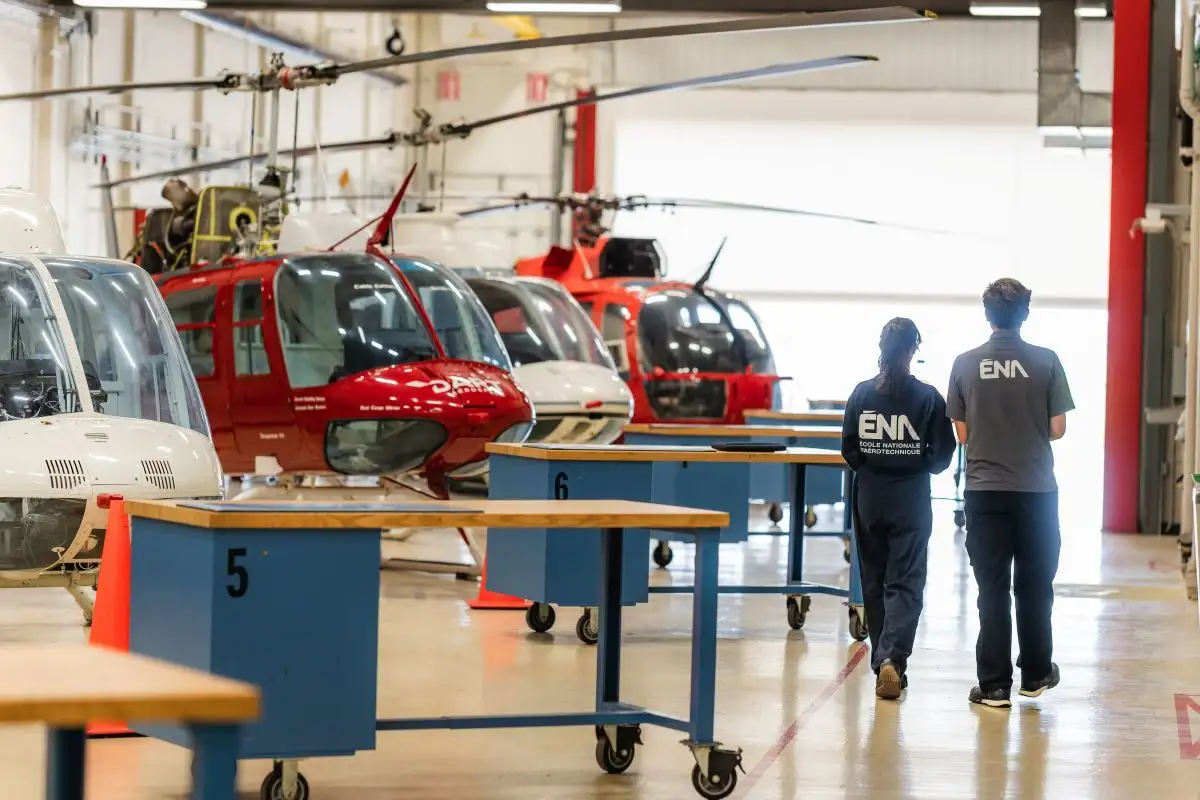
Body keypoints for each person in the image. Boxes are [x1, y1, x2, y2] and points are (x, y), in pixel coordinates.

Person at [947, 278, 1074, 708]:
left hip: (985, 493)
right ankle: (1035, 675)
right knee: (1035, 586)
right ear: (1024, 314)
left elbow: (962, 434)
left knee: (992, 587)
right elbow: (1057, 427)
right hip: (1037, 492)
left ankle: (995, 685)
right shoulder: (1047, 361)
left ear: (987, 314)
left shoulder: (964, 364)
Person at [841, 317, 956, 700]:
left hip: (870, 496)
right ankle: (892, 659)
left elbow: (849, 449)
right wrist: (914, 462)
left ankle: (882, 659)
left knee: (873, 580)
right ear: (913, 350)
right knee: (905, 582)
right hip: (909, 497)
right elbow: (942, 456)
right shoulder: (927, 398)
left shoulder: (860, 395)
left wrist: (876, 465)